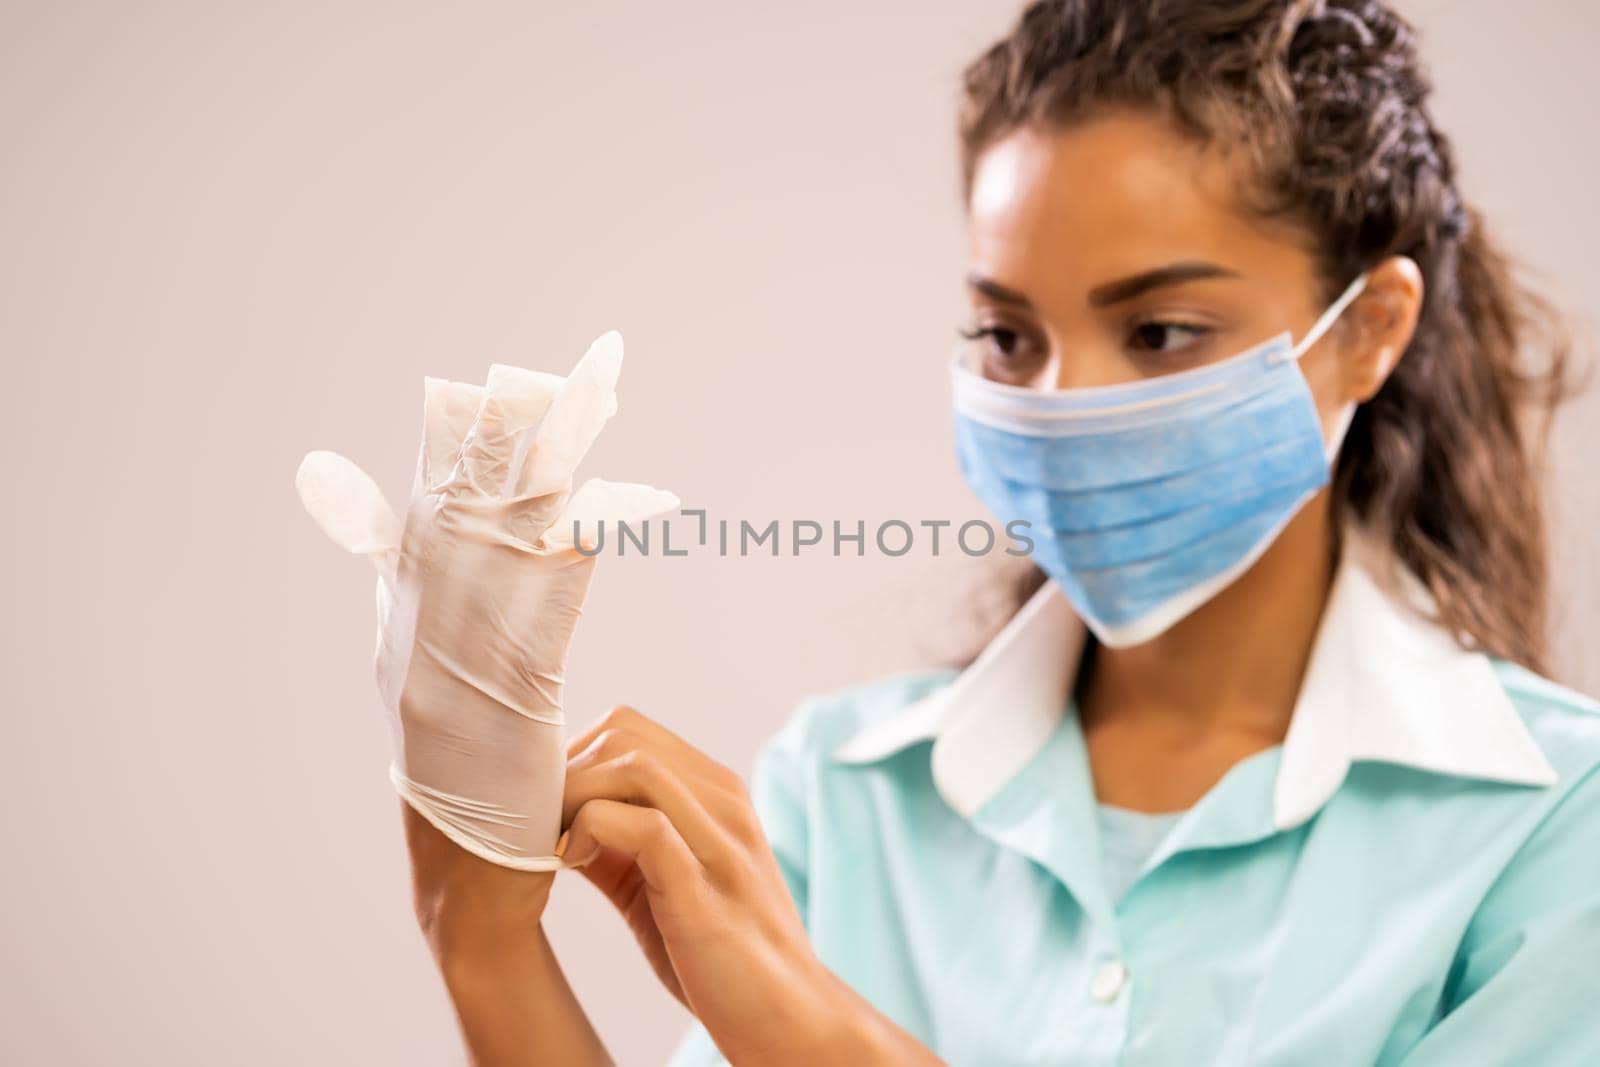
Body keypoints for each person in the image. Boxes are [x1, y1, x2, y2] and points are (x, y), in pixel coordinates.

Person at [401, 2, 1600, 1064]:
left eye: (1162, 331)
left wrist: (811, 1032)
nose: (1058, 404)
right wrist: (482, 937)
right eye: (1008, 338)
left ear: (1368, 329)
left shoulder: (1556, 829)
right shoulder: (841, 790)